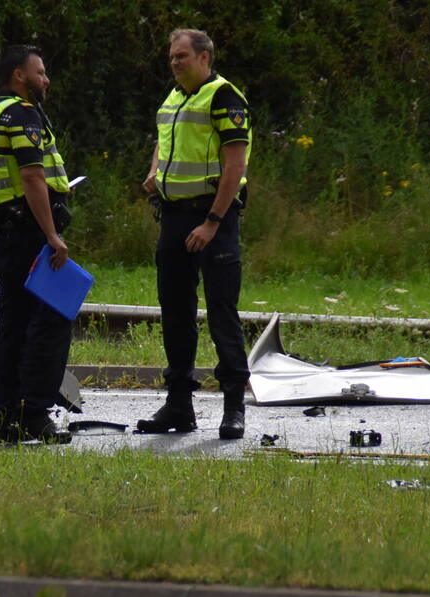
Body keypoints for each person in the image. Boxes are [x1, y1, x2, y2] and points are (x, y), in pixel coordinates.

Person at [136, 28, 251, 439]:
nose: (174, 62)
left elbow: (234, 165)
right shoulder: (173, 98)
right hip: (174, 217)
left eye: (182, 56)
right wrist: (154, 173)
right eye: (171, 57)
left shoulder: (224, 97)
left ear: (204, 58)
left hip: (213, 219)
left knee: (222, 311)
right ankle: (179, 404)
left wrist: (213, 222)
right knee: (175, 311)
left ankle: (234, 405)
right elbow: (164, 142)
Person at [0, 45, 73, 444]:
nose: (46, 79)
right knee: (52, 317)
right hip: (28, 230)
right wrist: (51, 235)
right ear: (19, 76)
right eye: (40, 72)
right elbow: (32, 176)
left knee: (12, 322)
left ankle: (7, 416)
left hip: (1, 231)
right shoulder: (22, 114)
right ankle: (35, 414)